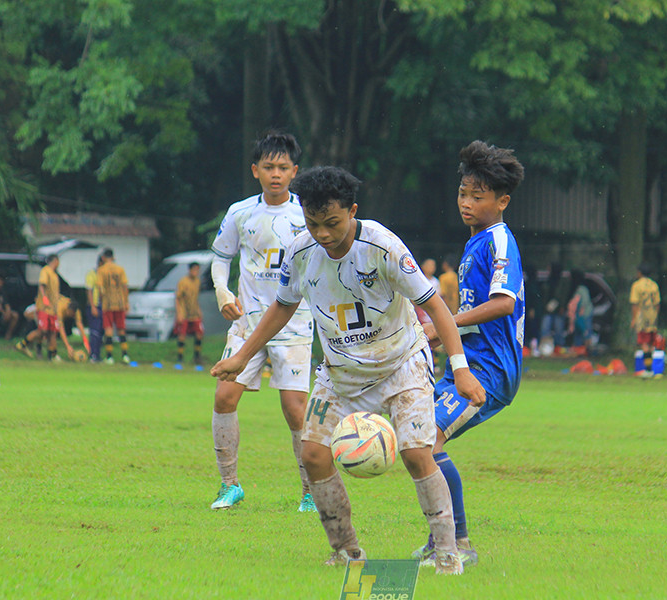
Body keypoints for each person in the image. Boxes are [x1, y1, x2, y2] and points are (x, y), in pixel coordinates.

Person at [211, 165, 485, 574]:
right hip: (340, 374)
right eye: (313, 222)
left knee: (416, 454)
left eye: (332, 223)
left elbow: (435, 306)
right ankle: (347, 551)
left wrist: (460, 368)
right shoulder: (301, 252)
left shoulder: (384, 247)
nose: (322, 233)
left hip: (401, 364)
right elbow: (282, 307)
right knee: (314, 455)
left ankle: (447, 553)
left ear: (352, 210)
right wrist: (242, 356)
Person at [411, 140, 525, 568]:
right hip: (471, 359)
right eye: (463, 193)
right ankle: (442, 537)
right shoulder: (476, 242)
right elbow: (474, 313)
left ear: (502, 201)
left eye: (478, 196)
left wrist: (445, 324)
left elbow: (504, 302)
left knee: (428, 440)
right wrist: (439, 336)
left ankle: (457, 543)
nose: (467, 203)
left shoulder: (499, 242)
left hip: (490, 368)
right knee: (422, 441)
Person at [209, 132, 315, 512]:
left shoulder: (307, 212)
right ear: (255, 171)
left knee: (295, 408)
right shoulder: (240, 213)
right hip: (248, 321)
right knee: (224, 397)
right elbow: (221, 257)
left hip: (295, 323)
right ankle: (229, 485)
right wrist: (222, 290)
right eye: (268, 167)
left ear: (294, 172)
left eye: (283, 167)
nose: (276, 174)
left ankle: (310, 491)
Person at [15, 295, 90, 361]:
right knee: (44, 331)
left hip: (48, 311)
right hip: (40, 309)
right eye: (70, 313)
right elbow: (61, 328)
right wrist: (68, 346)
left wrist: (86, 344)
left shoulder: (76, 311)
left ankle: (49, 354)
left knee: (50, 332)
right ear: (68, 309)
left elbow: (80, 326)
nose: (71, 316)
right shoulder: (60, 308)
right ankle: (23, 345)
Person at [16, 254, 62, 362]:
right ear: (55, 261)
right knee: (43, 330)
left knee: (52, 331)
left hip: (53, 309)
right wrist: (45, 298)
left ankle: (52, 355)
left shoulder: (54, 275)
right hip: (44, 308)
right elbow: (42, 285)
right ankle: (23, 344)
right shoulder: (45, 271)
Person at [97, 248, 130, 364]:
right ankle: (125, 355)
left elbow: (100, 288)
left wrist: (102, 299)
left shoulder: (101, 270)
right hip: (120, 303)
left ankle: (109, 357)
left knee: (108, 329)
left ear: (103, 258)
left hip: (108, 304)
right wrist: (126, 302)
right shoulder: (120, 269)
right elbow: (125, 287)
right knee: (121, 329)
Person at [630, 263, 662, 377]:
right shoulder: (654, 285)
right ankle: (650, 368)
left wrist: (634, 319)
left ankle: (648, 370)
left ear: (639, 272)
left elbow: (635, 304)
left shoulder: (637, 285)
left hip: (642, 316)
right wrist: (655, 316)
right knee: (650, 343)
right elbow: (657, 303)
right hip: (652, 316)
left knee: (643, 343)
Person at [174, 262, 204, 367]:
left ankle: (197, 357)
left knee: (199, 334)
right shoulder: (183, 282)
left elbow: (196, 298)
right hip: (184, 312)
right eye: (194, 269)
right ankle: (180, 358)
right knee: (182, 335)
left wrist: (199, 310)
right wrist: (179, 313)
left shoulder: (197, 282)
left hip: (194, 312)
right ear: (190, 270)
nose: (196, 272)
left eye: (197, 270)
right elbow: (178, 298)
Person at [565, 268, 593, 353]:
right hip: (579, 315)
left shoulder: (581, 289)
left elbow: (584, 302)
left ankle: (587, 350)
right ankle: (579, 349)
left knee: (585, 331)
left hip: (584, 314)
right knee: (579, 333)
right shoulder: (577, 288)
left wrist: (580, 312)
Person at [84, 255, 104, 362]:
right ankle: (93, 355)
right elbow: (89, 290)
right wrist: (92, 306)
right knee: (95, 332)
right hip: (95, 305)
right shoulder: (92, 274)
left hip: (104, 307)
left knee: (102, 332)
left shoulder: (105, 275)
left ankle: (98, 354)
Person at [0, 274, 20, 339]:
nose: (0, 283)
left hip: (2, 312)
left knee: (15, 315)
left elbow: (7, 304)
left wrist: (7, 312)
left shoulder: (3, 291)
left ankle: (8, 335)